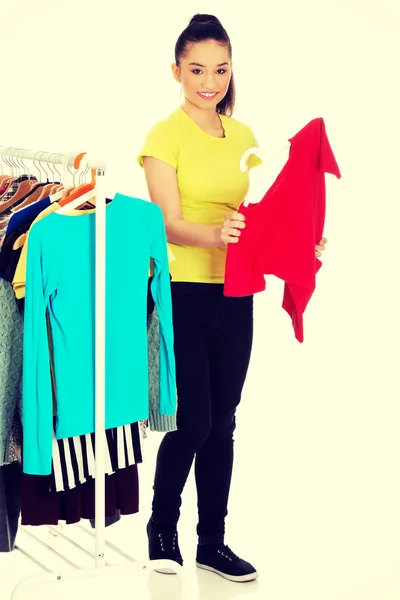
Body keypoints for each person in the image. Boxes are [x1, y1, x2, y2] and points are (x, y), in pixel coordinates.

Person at [137, 13, 327, 583]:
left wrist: (301, 242)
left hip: (236, 291)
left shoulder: (242, 136)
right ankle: (161, 529)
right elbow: (165, 223)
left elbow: (257, 219)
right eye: (196, 69)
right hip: (182, 291)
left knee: (224, 421)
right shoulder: (162, 136)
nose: (208, 81)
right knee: (191, 421)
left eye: (219, 69)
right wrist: (216, 235)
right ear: (176, 70)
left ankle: (212, 542)